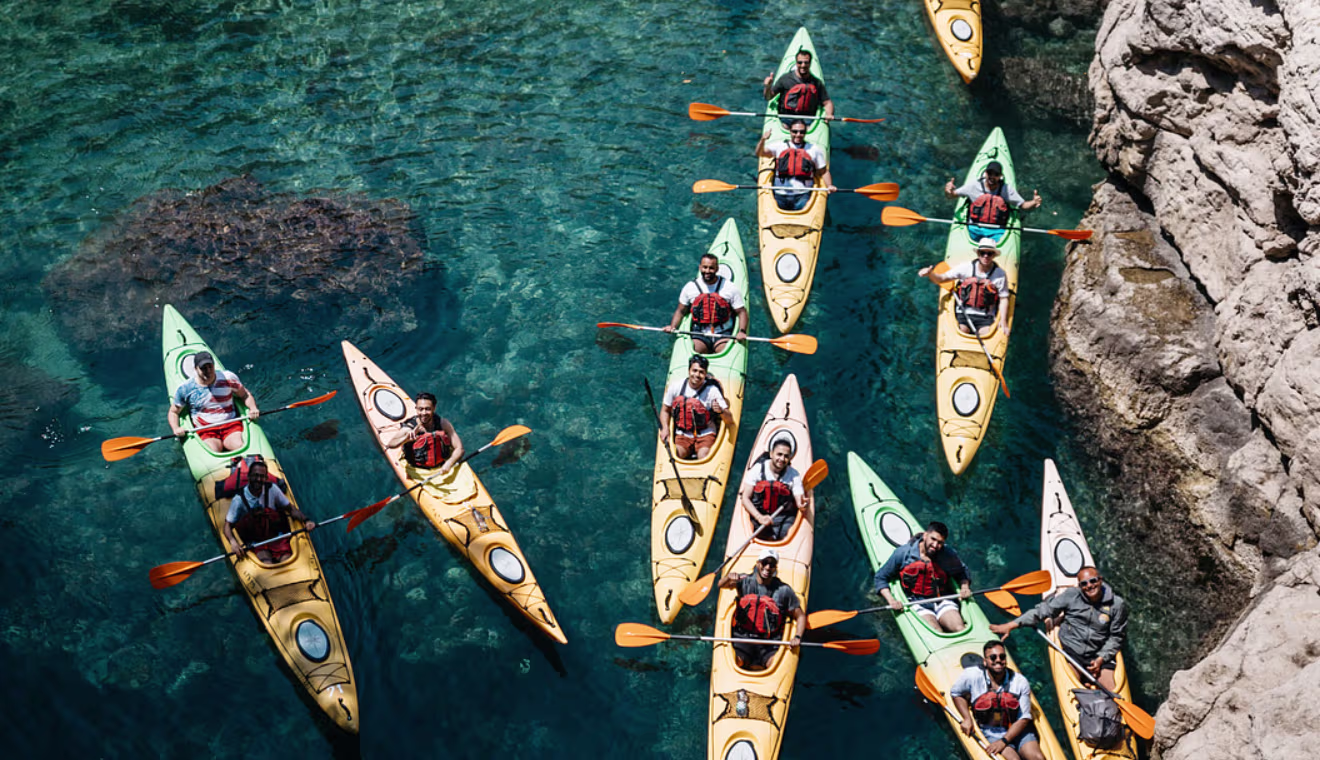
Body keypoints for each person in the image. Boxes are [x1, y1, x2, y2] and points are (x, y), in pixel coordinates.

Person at [990, 566, 1128, 692]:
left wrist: (1101, 658)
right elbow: (1042, 611)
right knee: (1074, 691)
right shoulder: (1071, 595)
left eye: (1093, 581)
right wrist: (1011, 625)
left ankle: (1090, 683)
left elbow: (1116, 637)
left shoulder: (1117, 604)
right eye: (1084, 584)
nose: (1089, 586)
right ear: (1079, 586)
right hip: (1072, 651)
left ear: (1100, 580)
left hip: (1098, 653)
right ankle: (1085, 684)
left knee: (1112, 691)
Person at [950, 640, 1047, 760]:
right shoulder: (972, 675)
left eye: (1002, 656)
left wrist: (1004, 741)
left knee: (1038, 758)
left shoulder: (1020, 682)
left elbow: (1024, 718)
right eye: (993, 657)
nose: (998, 660)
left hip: (1018, 728)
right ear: (985, 662)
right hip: (992, 731)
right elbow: (956, 693)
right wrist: (966, 718)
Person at [873, 521, 973, 633]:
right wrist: (891, 600)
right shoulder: (903, 554)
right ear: (925, 535)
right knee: (936, 631)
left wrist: (965, 587)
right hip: (917, 602)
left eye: (940, 542)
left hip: (942, 599)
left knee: (959, 628)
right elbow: (881, 577)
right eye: (933, 539)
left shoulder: (947, 554)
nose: (935, 545)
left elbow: (962, 571)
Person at [719, 547, 807, 671]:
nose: (767, 567)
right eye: (765, 562)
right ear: (758, 564)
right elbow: (721, 585)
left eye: (772, 564)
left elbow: (800, 616)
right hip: (743, 637)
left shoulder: (784, 590)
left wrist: (797, 637)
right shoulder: (744, 581)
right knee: (735, 662)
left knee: (775, 664)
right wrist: (728, 577)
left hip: (770, 642)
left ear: (775, 568)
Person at [222, 459, 315, 565]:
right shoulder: (239, 499)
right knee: (267, 563)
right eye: (255, 475)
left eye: (262, 476)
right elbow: (227, 526)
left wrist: (306, 520)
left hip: (276, 537)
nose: (258, 479)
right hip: (257, 542)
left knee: (288, 561)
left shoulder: (272, 489)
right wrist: (233, 542)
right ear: (249, 477)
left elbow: (291, 509)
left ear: (266, 478)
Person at [168, 350, 259, 453]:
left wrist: (253, 408)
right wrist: (176, 428)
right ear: (195, 369)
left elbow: (245, 395)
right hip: (206, 430)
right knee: (213, 450)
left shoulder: (228, 378)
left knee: (239, 446)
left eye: (210, 367)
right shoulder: (185, 389)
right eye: (203, 368)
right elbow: (173, 412)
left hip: (230, 424)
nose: (208, 371)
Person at [919, 237, 1011, 337]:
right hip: (963, 313)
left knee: (988, 334)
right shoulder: (965, 268)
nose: (986, 256)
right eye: (982, 253)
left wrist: (1003, 321)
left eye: (990, 253)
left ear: (994, 255)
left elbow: (1003, 298)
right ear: (978, 253)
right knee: (962, 331)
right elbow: (941, 279)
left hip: (986, 316)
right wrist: (930, 274)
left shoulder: (1000, 274)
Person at [663, 252, 749, 355]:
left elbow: (741, 312)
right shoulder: (690, 288)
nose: (707, 271)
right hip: (700, 332)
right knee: (695, 352)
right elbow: (681, 311)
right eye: (705, 267)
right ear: (700, 267)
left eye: (711, 268)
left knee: (724, 351)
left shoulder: (729, 288)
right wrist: (673, 327)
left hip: (724, 332)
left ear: (717, 269)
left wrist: (742, 331)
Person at [944, 160, 1043, 242]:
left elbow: (1023, 205)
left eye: (996, 174)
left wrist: (1034, 202)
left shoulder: (1006, 190)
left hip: (997, 231)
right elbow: (951, 196)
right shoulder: (973, 186)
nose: (992, 176)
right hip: (974, 228)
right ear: (985, 173)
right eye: (990, 173)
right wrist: (948, 191)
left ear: (1000, 176)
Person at [660, 355, 734, 460]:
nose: (697, 375)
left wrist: (721, 411)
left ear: (705, 374)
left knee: (703, 456)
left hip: (705, 433)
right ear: (689, 370)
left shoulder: (712, 391)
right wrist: (665, 428)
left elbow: (730, 420)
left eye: (701, 372)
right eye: (694, 370)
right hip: (683, 433)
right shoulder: (676, 387)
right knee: (676, 454)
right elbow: (665, 410)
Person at [737, 438, 810, 541]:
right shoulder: (757, 470)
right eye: (779, 454)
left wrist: (801, 504)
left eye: (786, 456)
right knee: (760, 533)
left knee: (786, 535)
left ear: (789, 458)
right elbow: (745, 498)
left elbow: (798, 496)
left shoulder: (794, 475)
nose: (782, 459)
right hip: (759, 513)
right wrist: (759, 517)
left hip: (783, 517)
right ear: (771, 454)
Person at [755, 120, 835, 211]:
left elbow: (823, 171)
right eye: (795, 131)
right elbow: (759, 153)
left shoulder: (814, 149)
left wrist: (829, 185)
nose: (798, 135)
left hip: (803, 195)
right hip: (779, 193)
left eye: (802, 132)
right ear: (790, 131)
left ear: (805, 132)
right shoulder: (779, 146)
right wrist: (763, 139)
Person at [385, 392, 465, 475]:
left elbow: (460, 448)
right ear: (416, 409)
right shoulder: (410, 428)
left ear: (434, 408)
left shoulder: (443, 423)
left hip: (444, 466)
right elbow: (391, 445)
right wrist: (406, 439)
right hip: (418, 470)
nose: (423, 413)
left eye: (428, 409)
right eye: (420, 409)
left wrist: (449, 463)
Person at [763, 48, 835, 125]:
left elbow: (827, 102)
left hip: (807, 119)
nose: (803, 65)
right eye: (800, 62)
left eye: (806, 62)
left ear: (810, 63)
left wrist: (829, 114)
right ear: (796, 63)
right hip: (786, 118)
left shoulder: (816, 83)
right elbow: (768, 97)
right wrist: (768, 87)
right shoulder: (785, 79)